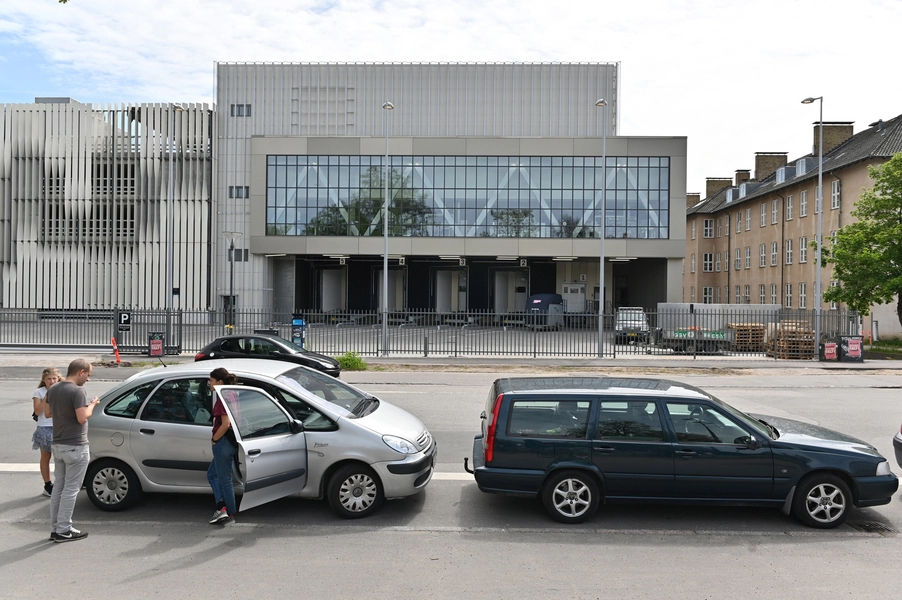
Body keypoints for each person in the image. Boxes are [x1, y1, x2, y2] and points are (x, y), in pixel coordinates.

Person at [45, 358, 99, 543]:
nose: (88, 380)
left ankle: (55, 528)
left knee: (59, 487)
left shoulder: (53, 389)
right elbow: (82, 418)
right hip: (75, 446)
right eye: (88, 375)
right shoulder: (77, 391)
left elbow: (47, 413)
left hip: (58, 445)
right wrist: (92, 404)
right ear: (81, 372)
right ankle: (64, 529)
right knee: (71, 489)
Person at [207, 367, 239, 525]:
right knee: (212, 475)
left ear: (219, 382)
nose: (209, 384)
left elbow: (225, 424)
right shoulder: (232, 394)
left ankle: (228, 513)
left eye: (211, 381)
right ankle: (222, 507)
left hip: (223, 442)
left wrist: (214, 439)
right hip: (231, 441)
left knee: (224, 479)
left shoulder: (222, 399)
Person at [32, 367, 61, 497]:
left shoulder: (61, 390)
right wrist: (47, 396)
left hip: (60, 426)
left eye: (54, 378)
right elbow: (37, 411)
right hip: (45, 427)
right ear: (44, 380)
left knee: (62, 457)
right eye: (49, 379)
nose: (52, 381)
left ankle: (62, 482)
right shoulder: (39, 392)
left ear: (58, 379)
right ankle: (47, 484)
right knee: (46, 456)